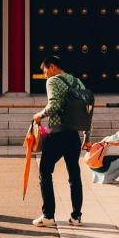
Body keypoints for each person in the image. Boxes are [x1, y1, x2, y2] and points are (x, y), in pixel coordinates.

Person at [30, 56, 88, 228]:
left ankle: (48, 215)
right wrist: (87, 136)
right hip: (73, 135)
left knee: (45, 172)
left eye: (45, 70)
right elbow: (87, 110)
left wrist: (39, 115)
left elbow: (54, 105)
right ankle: (76, 216)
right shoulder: (78, 82)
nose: (45, 75)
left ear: (53, 67)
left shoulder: (53, 81)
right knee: (74, 175)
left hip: (57, 133)